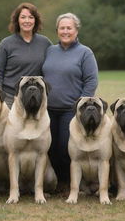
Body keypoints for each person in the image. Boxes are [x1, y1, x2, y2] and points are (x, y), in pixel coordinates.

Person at [42, 13, 98, 192]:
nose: (65, 31)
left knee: (65, 148)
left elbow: (91, 81)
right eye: (62, 28)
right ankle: (55, 183)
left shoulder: (85, 52)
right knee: (49, 148)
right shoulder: (50, 51)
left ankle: (68, 183)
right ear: (57, 30)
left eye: (69, 28)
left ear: (76, 30)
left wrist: (81, 106)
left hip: (71, 110)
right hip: (47, 109)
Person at [0, 2, 52, 108]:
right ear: (17, 20)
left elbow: (53, 68)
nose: (27, 21)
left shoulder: (45, 43)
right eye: (23, 17)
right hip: (10, 99)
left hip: (35, 98)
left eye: (31, 17)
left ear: (35, 20)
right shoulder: (6, 43)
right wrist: (0, 99)